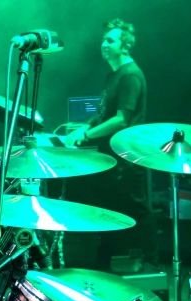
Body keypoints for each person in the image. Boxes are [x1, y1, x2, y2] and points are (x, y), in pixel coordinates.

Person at [68, 18, 155, 270]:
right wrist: (83, 128)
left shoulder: (130, 76)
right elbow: (103, 113)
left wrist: (87, 136)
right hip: (112, 156)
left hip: (127, 158)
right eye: (103, 40)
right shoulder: (114, 75)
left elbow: (120, 119)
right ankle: (104, 263)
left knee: (136, 210)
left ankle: (151, 262)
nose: (104, 44)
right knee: (109, 208)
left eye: (110, 40)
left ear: (124, 45)